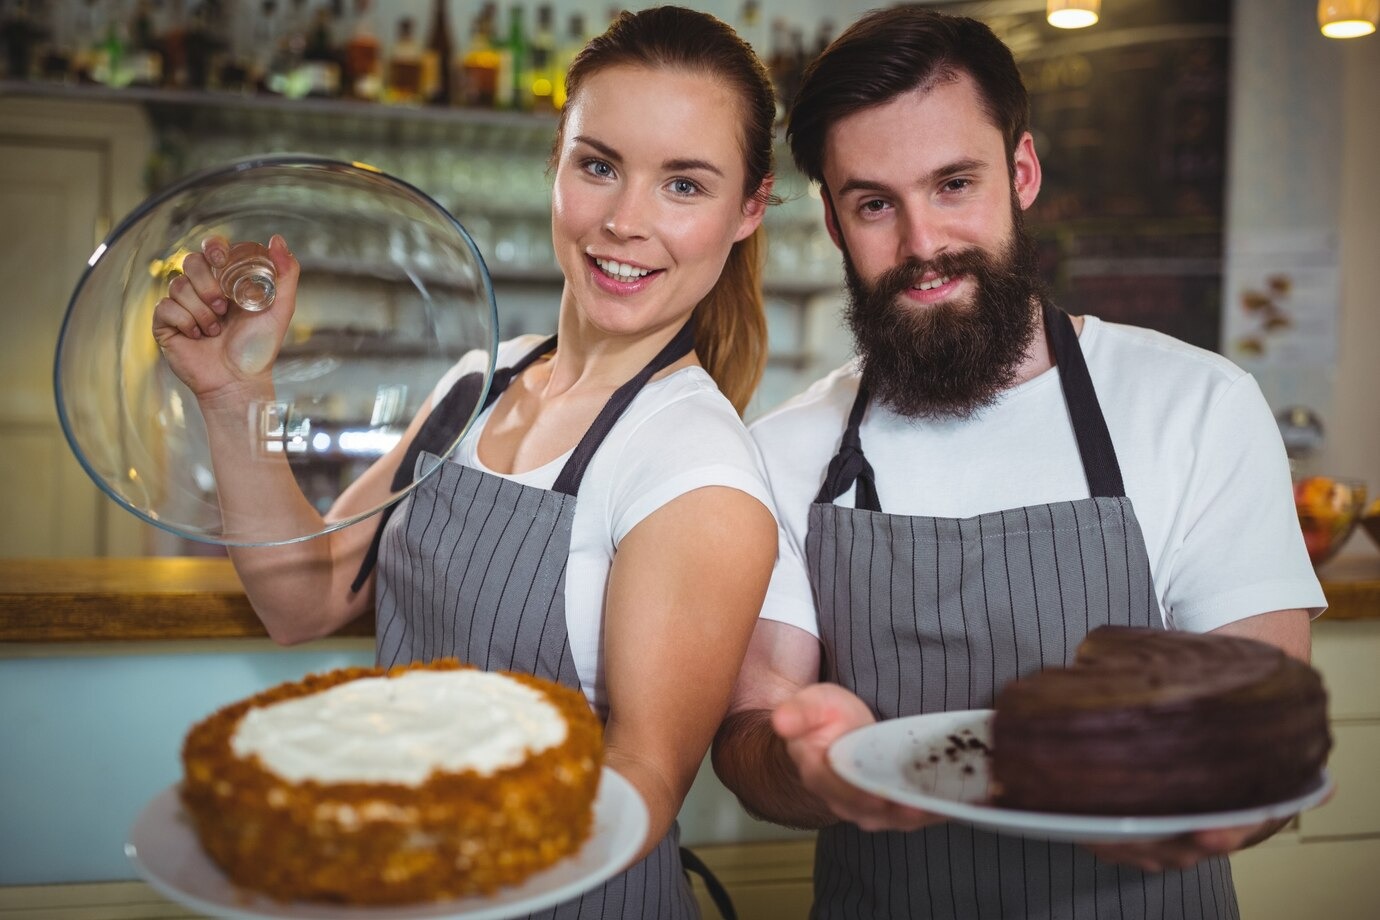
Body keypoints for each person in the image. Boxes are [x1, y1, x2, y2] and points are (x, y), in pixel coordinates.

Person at [152, 7, 782, 917]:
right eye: (598, 166)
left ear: (749, 209)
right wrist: (234, 394)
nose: (623, 221)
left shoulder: (697, 469)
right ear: (555, 165)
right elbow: (305, 597)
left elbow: (642, 780)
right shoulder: (481, 380)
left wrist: (417, 844)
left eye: (683, 185)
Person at [710, 6, 1325, 919]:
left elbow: (1265, 725)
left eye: (954, 184)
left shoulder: (1199, 407)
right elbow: (751, 732)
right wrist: (807, 765)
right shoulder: (784, 449)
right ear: (835, 223)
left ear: (1022, 172)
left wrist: (1220, 802)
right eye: (875, 203)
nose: (923, 245)